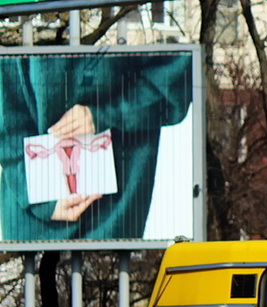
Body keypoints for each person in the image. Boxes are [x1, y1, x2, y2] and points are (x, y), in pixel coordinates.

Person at [0, 51, 191, 241]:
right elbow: (6, 116)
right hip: (33, 214)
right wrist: (37, 198)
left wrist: (107, 114)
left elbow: (175, 78)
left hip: (115, 208)